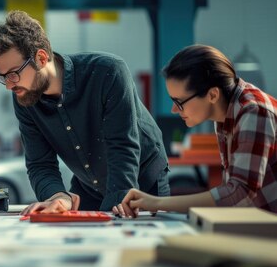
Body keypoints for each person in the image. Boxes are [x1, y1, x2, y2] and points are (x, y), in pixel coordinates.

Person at [0, 10, 169, 215]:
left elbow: (122, 148)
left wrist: (111, 214)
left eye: (13, 74)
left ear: (41, 58)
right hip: (88, 184)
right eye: (2, 77)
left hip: (143, 181)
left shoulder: (107, 72)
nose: (9, 86)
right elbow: (39, 163)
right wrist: (58, 196)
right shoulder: (24, 97)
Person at [114, 44, 277, 217]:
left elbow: (239, 193)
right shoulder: (226, 114)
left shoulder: (253, 111)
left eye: (179, 102)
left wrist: (157, 202)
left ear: (213, 95)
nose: (174, 110)